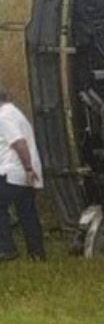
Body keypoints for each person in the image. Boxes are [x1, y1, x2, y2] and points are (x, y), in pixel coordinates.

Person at [0, 84, 45, 261]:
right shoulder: (14, 112)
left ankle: (6, 248)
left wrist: (27, 167)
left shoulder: (3, 117)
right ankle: (37, 253)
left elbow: (19, 143)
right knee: (27, 212)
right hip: (24, 175)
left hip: (12, 172)